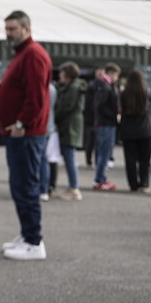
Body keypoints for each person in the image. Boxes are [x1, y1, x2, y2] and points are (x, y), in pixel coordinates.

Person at [0, 10, 52, 261]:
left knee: (26, 187)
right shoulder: (23, 54)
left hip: (25, 134)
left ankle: (33, 242)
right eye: (6, 29)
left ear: (26, 29)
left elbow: (36, 97)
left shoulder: (33, 55)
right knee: (19, 186)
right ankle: (27, 234)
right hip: (19, 134)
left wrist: (21, 123)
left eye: (13, 29)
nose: (8, 33)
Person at [119, 69, 151, 192]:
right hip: (145, 130)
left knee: (130, 159)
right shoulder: (148, 92)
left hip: (128, 130)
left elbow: (121, 110)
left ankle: (133, 184)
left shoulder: (124, 94)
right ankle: (144, 183)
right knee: (144, 159)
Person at [53, 61, 86, 201]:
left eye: (62, 72)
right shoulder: (72, 87)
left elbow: (66, 107)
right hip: (70, 126)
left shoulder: (73, 88)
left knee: (70, 158)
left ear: (67, 74)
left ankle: (74, 188)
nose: (59, 75)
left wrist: (54, 117)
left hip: (69, 127)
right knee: (69, 158)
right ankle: (73, 187)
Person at [92, 62, 120, 191]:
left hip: (103, 123)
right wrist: (114, 115)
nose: (117, 78)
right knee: (104, 153)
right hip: (106, 124)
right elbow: (100, 105)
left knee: (103, 152)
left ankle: (101, 178)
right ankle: (100, 180)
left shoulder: (104, 85)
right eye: (116, 75)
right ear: (111, 73)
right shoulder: (106, 86)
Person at [83, 68, 103, 169]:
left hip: (97, 119)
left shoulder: (104, 86)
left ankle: (95, 161)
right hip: (91, 119)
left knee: (96, 142)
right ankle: (90, 161)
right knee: (90, 142)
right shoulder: (92, 86)